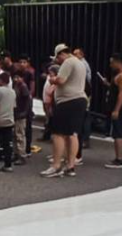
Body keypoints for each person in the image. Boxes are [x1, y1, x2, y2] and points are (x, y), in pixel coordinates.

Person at [41, 44, 86, 178]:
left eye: (57, 58)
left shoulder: (67, 62)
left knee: (57, 134)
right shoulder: (80, 63)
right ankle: (70, 166)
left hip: (67, 101)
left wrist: (52, 79)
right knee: (72, 134)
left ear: (61, 54)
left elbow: (61, 80)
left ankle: (55, 165)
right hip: (79, 100)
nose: (57, 61)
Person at [98, 53, 122, 169]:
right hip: (113, 106)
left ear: (118, 62)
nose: (110, 65)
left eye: (112, 62)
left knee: (118, 133)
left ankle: (120, 159)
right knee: (115, 132)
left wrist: (116, 110)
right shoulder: (117, 75)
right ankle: (118, 158)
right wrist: (108, 84)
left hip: (119, 108)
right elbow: (115, 90)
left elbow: (121, 94)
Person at [17, 54, 36, 154]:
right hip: (18, 100)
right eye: (20, 62)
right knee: (18, 125)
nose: (22, 64)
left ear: (27, 64)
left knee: (27, 124)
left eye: (24, 62)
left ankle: (27, 148)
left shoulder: (30, 73)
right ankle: (18, 148)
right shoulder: (16, 72)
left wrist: (30, 96)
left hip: (27, 100)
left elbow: (32, 88)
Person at [12, 71, 31, 165]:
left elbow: (28, 99)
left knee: (19, 135)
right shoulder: (16, 86)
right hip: (15, 113)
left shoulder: (23, 87)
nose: (16, 79)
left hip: (21, 113)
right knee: (15, 134)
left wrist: (25, 112)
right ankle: (16, 153)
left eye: (18, 77)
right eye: (15, 77)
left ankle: (22, 155)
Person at [42, 64, 59, 141]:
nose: (49, 73)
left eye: (51, 72)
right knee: (48, 118)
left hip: (51, 103)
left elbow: (50, 91)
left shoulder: (55, 80)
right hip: (46, 101)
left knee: (50, 119)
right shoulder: (49, 78)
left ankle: (49, 134)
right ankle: (47, 134)